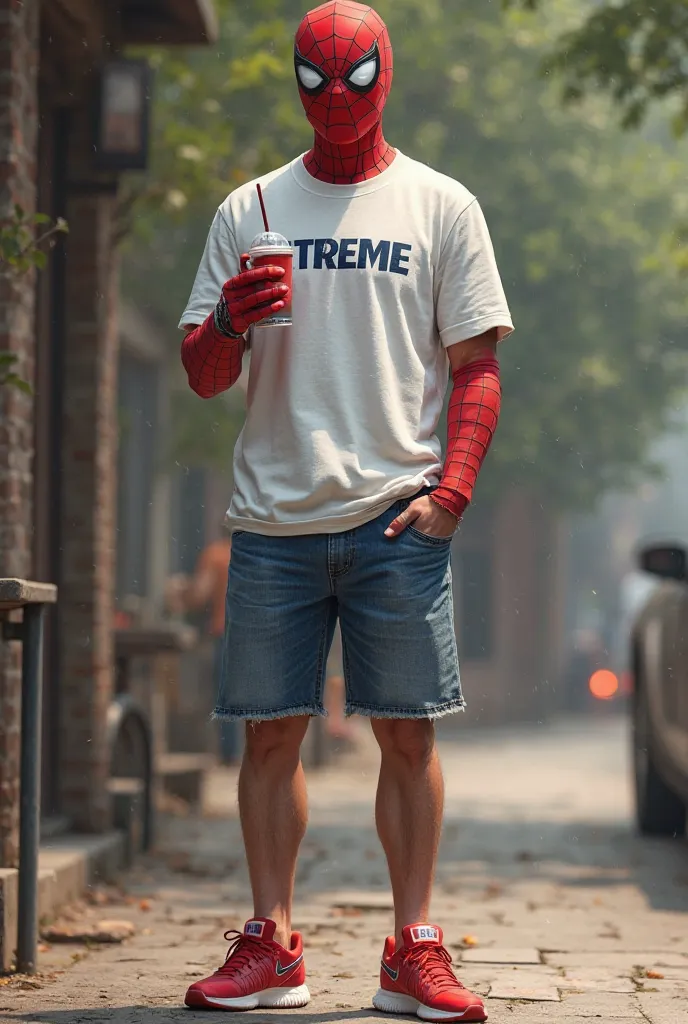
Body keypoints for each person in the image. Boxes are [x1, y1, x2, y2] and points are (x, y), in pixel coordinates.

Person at [179, 3, 513, 1020]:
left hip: (393, 517)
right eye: (315, 81)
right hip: (273, 519)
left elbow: (478, 367)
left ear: (386, 74)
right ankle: (271, 941)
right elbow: (201, 371)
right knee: (269, 737)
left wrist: (451, 492)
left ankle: (414, 944)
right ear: (293, 82)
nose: (335, 99)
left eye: (354, 78)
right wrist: (232, 315)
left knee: (406, 737)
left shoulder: (440, 205)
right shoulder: (251, 210)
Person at [165, 533, 240, 764]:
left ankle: (229, 754)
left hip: (226, 631)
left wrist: (178, 593)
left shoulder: (216, 555)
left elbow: (200, 594)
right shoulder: (256, 552)